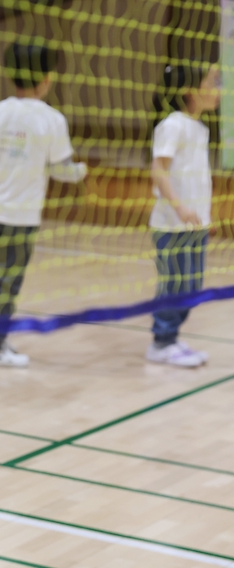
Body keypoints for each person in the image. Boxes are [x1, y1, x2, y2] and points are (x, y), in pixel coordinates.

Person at [0, 41, 87, 367]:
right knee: (8, 280)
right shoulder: (51, 120)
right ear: (48, 78)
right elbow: (62, 170)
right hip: (20, 215)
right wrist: (81, 172)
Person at [145, 62, 219, 368]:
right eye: (212, 83)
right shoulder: (173, 125)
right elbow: (158, 170)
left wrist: (202, 215)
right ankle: (161, 342)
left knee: (191, 286)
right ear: (190, 91)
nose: (218, 91)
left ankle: (171, 338)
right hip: (171, 224)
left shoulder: (198, 128)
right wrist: (179, 206)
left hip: (194, 224)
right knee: (174, 284)